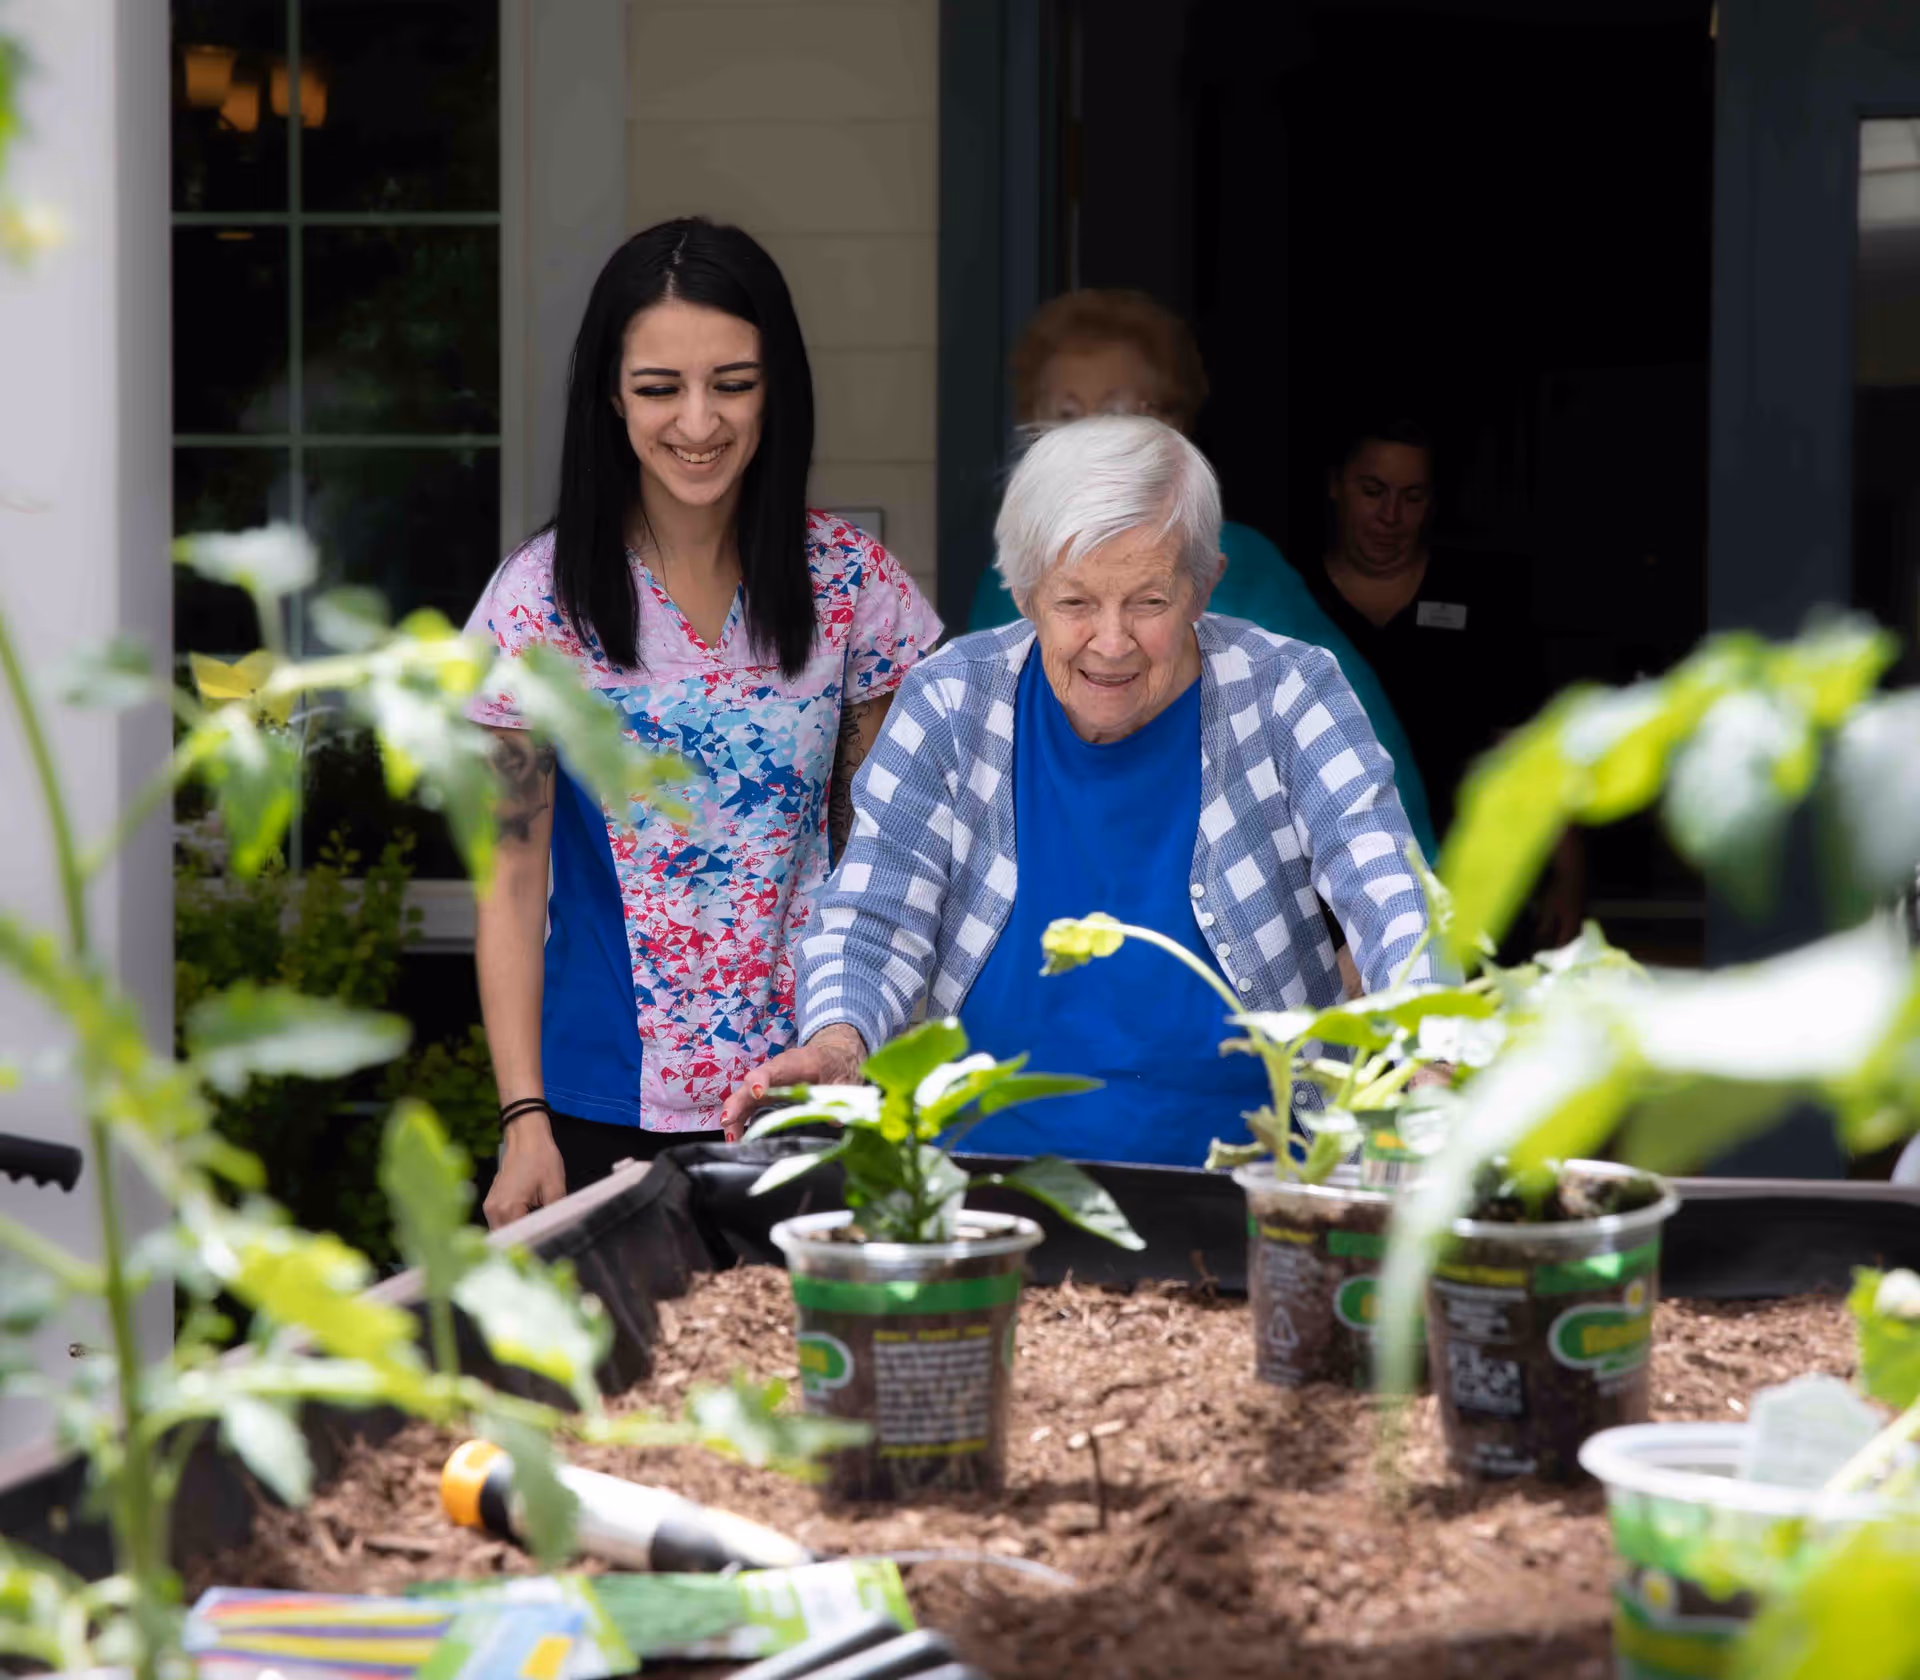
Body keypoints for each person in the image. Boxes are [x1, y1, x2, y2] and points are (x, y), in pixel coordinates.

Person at [719, 416, 1441, 1167]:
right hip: (983, 1185)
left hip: (1249, 1182)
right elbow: (873, 914)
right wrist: (840, 1042)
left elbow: (1385, 882)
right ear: (1026, 593)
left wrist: (1427, 1049)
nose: (1111, 640)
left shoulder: (1289, 691)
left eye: (1149, 602)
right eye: (1076, 603)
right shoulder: (951, 700)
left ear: (1203, 587)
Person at [468, 218, 940, 1226]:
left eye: (733, 382)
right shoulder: (535, 605)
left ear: (780, 387)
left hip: (812, 1094)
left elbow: (890, 863)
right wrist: (523, 1120)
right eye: (658, 388)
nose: (697, 421)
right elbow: (508, 883)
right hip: (597, 1103)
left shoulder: (854, 588)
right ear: (609, 395)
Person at [965, 288, 1436, 862]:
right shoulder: (1008, 578)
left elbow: (1358, 746)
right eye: (1065, 414)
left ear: (1174, 424)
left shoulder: (1230, 563)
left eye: (1115, 411)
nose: (1089, 437)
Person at [1304, 415, 1583, 944]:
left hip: (1467, 886)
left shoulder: (1481, 597)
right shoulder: (1290, 597)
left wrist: (1568, 877)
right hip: (1321, 894)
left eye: (1412, 496)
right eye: (1373, 491)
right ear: (1335, 486)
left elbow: (1529, 747)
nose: (1390, 515)